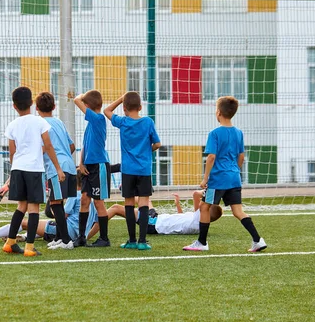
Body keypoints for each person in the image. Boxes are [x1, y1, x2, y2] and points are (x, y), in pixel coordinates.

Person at [183, 96, 267, 252]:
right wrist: (234, 170)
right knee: (238, 211)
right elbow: (241, 156)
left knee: (204, 207)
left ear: (218, 112)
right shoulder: (238, 133)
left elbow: (211, 157)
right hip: (234, 178)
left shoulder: (214, 133)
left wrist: (205, 178)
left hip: (218, 180)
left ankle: (202, 243)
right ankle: (258, 240)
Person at [2, 87, 65, 257]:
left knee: (21, 206)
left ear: (14, 106)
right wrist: (58, 168)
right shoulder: (40, 122)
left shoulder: (12, 125)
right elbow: (49, 146)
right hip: (34, 169)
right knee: (34, 208)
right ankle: (29, 246)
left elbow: (12, 152)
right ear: (32, 103)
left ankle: (10, 242)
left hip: (17, 168)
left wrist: (13, 173)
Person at [104, 92, 161, 250]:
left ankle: (131, 240)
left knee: (128, 203)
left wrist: (121, 98)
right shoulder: (148, 122)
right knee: (143, 203)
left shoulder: (123, 122)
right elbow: (157, 144)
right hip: (144, 169)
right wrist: (148, 150)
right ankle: (143, 241)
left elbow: (107, 111)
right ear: (141, 107)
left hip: (128, 169)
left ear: (124, 108)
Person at [36, 92, 77, 250]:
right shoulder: (59, 122)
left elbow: (45, 147)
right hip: (69, 166)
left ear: (37, 108)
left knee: (55, 203)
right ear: (54, 107)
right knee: (58, 202)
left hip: (56, 167)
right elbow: (72, 146)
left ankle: (66, 241)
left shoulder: (40, 125)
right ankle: (60, 238)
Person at [88, 192, 222, 238]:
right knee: (145, 201)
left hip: (153, 224)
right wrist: (177, 205)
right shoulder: (198, 221)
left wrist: (209, 188)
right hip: (156, 219)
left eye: (206, 206)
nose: (201, 205)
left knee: (116, 208)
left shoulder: (198, 220)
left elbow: (196, 194)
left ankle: (87, 235)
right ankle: (126, 191)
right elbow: (182, 219)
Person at [73, 90, 112, 247]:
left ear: (88, 105)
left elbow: (76, 100)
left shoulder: (98, 118)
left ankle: (104, 238)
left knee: (98, 202)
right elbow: (85, 146)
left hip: (99, 166)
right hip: (88, 166)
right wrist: (81, 163)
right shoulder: (90, 124)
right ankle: (82, 237)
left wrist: (82, 97)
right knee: (84, 200)